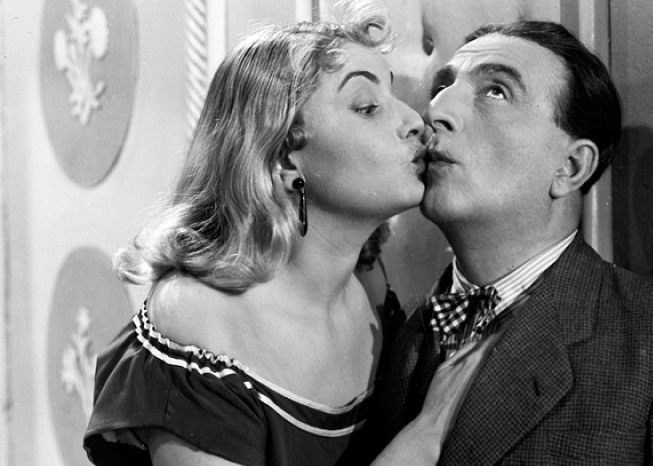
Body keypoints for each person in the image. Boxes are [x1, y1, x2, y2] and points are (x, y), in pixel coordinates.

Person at [82, 2, 488, 465]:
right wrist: (424, 438)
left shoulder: (368, 281)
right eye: (367, 107)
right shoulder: (200, 318)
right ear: (283, 158)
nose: (414, 120)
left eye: (392, 95)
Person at [375, 20, 653, 464]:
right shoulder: (407, 335)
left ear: (570, 167)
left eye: (496, 91)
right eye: (442, 87)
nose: (435, 111)